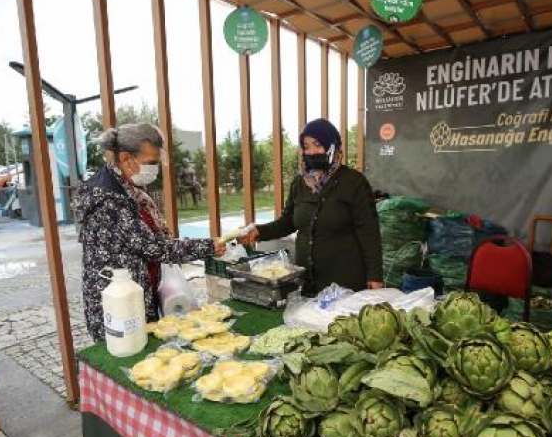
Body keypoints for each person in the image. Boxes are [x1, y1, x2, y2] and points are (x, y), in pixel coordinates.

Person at [74, 123, 226, 342]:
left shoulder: (125, 188)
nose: (154, 169)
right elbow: (151, 246)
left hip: (135, 292)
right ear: (126, 158)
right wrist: (208, 246)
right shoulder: (109, 198)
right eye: (150, 163)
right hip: (119, 305)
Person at [239, 118, 383, 294]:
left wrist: (375, 276)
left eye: (318, 145)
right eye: (306, 147)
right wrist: (259, 231)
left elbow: (369, 233)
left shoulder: (354, 182)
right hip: (306, 281)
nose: (312, 152)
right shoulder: (299, 183)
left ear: (333, 145)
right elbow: (288, 222)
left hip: (344, 282)